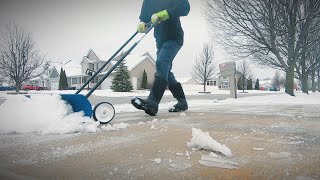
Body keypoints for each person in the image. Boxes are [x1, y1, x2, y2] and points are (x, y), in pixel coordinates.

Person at [131, 0, 190, 116]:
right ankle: (182, 102)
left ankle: (152, 103)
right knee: (166, 71)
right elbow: (144, 17)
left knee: (161, 63)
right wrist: (142, 23)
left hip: (174, 38)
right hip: (160, 41)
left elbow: (185, 7)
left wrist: (165, 13)